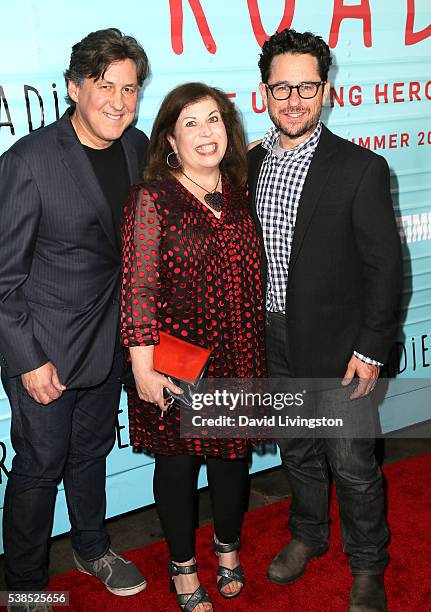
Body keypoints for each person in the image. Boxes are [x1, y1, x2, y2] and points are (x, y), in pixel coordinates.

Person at [248, 29, 401, 612]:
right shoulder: (250, 164)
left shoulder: (360, 168)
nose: (294, 99)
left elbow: (386, 266)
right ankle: (309, 534)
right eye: (281, 86)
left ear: (325, 89)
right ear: (264, 92)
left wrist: (370, 348)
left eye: (306, 85)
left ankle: (369, 565)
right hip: (271, 341)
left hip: (340, 350)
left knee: (353, 464)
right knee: (298, 451)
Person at [0, 28, 150, 606]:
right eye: (104, 86)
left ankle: (92, 548)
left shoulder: (136, 147)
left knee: (91, 454)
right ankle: (26, 588)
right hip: (46, 352)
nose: (118, 101)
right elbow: (4, 276)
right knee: (39, 469)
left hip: (110, 343)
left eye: (130, 88)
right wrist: (28, 359)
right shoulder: (30, 161)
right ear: (74, 88)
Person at [121, 82, 266, 611]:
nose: (207, 134)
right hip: (176, 361)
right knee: (179, 465)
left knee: (232, 462)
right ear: (170, 141)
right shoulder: (152, 199)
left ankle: (228, 548)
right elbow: (138, 287)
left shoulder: (239, 191)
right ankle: (183, 565)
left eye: (214, 120)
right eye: (191, 124)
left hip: (239, 352)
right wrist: (142, 366)